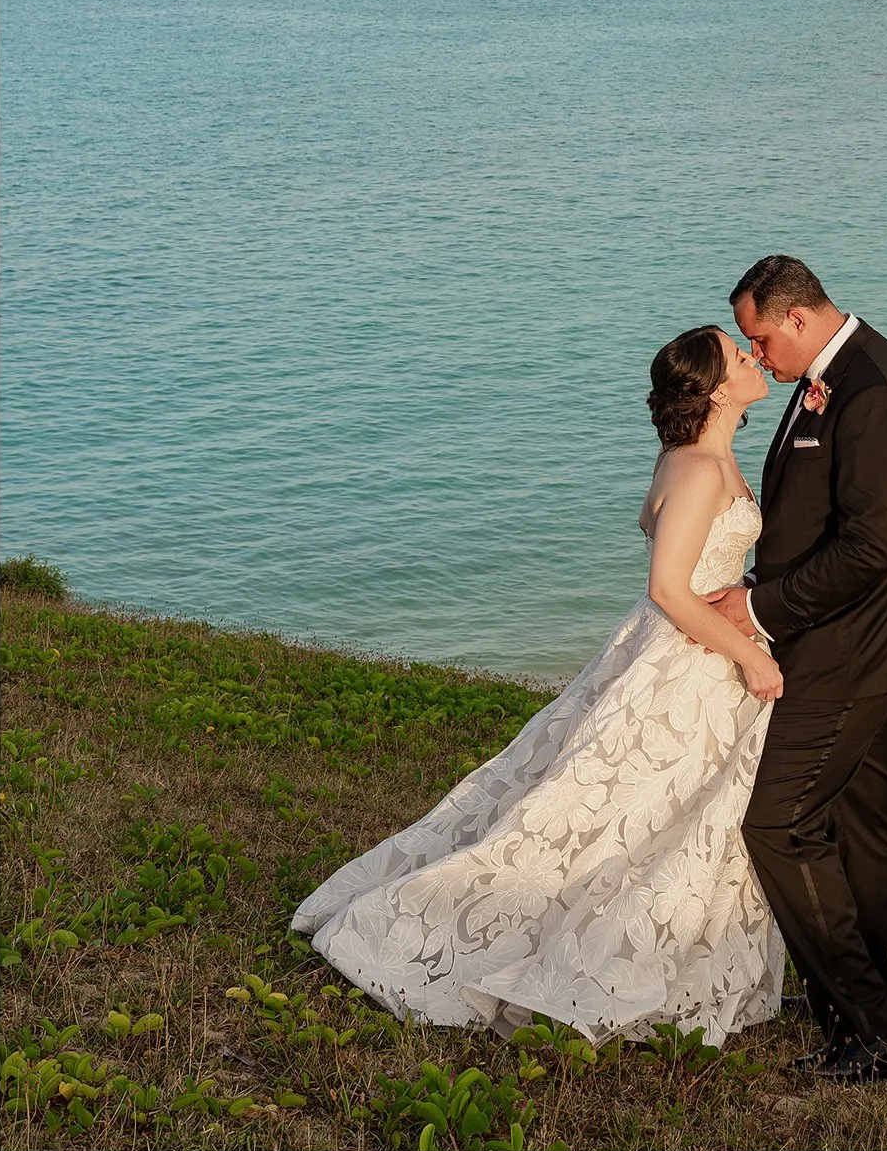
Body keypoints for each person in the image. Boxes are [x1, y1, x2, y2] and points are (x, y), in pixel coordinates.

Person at [291, 325, 786, 1046]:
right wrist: (752, 655)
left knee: (668, 815)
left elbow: (666, 540)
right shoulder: (702, 469)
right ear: (714, 390)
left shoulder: (701, 457)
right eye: (740, 356)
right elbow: (669, 589)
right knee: (625, 811)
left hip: (687, 649)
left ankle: (671, 955)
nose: (752, 359)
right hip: (689, 657)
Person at [707, 254, 887, 1087]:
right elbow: (812, 517)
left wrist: (762, 609)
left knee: (778, 825)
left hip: (852, 650)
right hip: (845, 638)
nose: (758, 356)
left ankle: (869, 1032)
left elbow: (871, 549)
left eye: (760, 339)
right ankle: (856, 996)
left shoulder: (875, 394)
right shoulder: (831, 375)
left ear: (799, 320)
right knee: (862, 822)